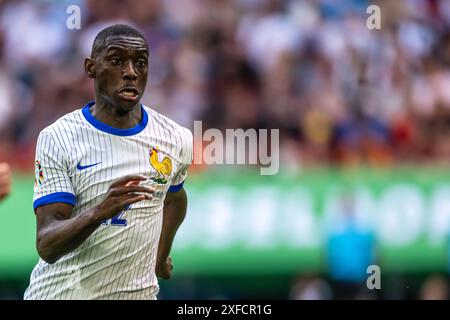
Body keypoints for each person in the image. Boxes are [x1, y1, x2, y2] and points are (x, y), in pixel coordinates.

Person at [24, 24, 193, 300]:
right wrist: (99, 211)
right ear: (91, 67)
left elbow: (175, 197)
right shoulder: (59, 138)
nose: (131, 72)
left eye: (141, 63)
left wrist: (160, 256)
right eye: (116, 61)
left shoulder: (175, 138)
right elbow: (47, 245)